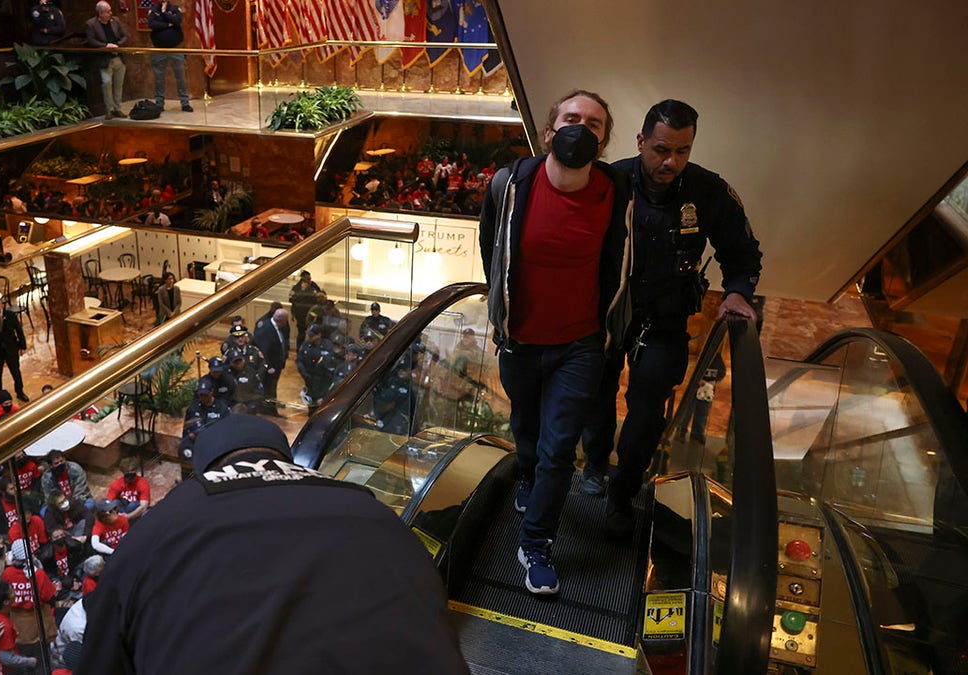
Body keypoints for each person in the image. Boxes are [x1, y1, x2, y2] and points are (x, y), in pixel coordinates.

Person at [78, 414, 468, 673]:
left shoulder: (156, 529)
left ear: (203, 468)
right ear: (283, 457)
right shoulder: (372, 510)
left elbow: (102, 656)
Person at [579, 100, 763, 537]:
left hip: (664, 321)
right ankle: (593, 466)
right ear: (641, 141)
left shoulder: (707, 191)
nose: (671, 162)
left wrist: (737, 293)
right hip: (605, 314)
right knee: (595, 397)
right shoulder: (608, 181)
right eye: (662, 150)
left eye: (682, 151)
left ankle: (623, 495)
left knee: (646, 416)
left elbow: (742, 252)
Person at [478, 89, 633, 595]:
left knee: (559, 447)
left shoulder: (617, 192)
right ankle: (526, 480)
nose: (580, 128)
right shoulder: (512, 184)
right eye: (571, 118)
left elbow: (620, 262)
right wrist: (501, 309)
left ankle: (536, 543)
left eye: (593, 123)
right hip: (521, 339)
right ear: (549, 130)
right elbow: (490, 245)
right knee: (525, 424)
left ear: (604, 139)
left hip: (580, 343)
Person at [86, 1, 129, 120]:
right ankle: (108, 110)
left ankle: (117, 109)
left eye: (110, 10)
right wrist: (106, 45)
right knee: (106, 84)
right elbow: (91, 40)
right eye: (108, 11)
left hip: (118, 58)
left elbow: (125, 35)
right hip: (104, 60)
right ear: (101, 13)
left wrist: (117, 44)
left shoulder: (115, 21)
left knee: (118, 85)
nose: (111, 13)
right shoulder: (91, 24)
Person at [148, 1, 193, 112]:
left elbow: (177, 21)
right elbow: (152, 24)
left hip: (175, 48)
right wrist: (167, 24)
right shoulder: (153, 10)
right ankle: (159, 103)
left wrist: (165, 13)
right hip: (159, 49)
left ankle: (185, 103)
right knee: (159, 78)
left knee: (180, 77)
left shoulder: (175, 9)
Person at [0, 298, 29, 402]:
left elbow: (19, 330)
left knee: (16, 371)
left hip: (11, 348)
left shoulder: (10, 315)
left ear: (1, 305)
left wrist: (22, 346)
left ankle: (20, 392)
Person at [178, 379, 230, 462]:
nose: (203, 397)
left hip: (216, 445)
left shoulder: (222, 408)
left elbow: (227, 431)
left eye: (205, 394)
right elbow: (186, 430)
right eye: (201, 395)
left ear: (211, 391)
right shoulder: (193, 408)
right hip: (196, 445)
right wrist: (190, 436)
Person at [252, 307, 289, 410]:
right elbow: (263, 351)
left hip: (276, 365)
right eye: (285, 320)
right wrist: (268, 367)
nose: (286, 323)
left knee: (272, 387)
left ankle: (272, 403)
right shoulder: (266, 329)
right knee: (269, 387)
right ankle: (269, 409)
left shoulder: (275, 326)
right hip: (270, 368)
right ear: (281, 320)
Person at [296, 323, 337, 416]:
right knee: (311, 407)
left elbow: (329, 363)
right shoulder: (306, 345)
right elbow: (299, 360)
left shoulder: (328, 345)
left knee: (322, 407)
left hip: (323, 381)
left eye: (312, 335)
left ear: (319, 335)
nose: (309, 337)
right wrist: (304, 374)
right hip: (309, 379)